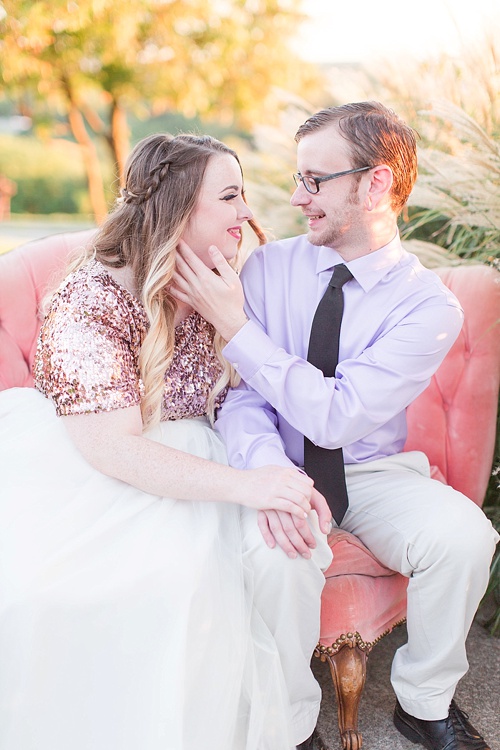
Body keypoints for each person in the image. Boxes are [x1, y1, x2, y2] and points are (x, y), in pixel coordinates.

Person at [173, 102, 499, 750]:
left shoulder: (430, 308)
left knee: (466, 537)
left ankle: (424, 700)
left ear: (376, 184)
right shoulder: (266, 269)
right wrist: (269, 474)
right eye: (298, 178)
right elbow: (243, 402)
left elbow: (337, 412)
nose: (297, 197)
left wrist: (239, 332)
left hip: (372, 471)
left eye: (315, 180)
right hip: (280, 462)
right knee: (280, 553)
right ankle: (291, 722)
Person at [0, 133, 333, 750]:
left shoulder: (220, 278)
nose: (246, 213)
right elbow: (114, 450)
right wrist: (250, 485)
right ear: (180, 209)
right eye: (230, 196)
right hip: (95, 466)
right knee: (140, 586)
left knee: (282, 553)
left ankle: (285, 717)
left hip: (204, 450)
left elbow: (245, 393)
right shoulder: (90, 300)